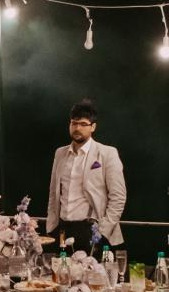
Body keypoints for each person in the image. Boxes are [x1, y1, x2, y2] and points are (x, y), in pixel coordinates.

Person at [45, 99, 128, 256]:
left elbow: (118, 197)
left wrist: (102, 232)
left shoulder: (107, 153)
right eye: (74, 123)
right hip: (62, 229)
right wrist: (51, 226)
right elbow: (53, 193)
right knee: (61, 277)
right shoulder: (60, 153)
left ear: (93, 127)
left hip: (92, 230)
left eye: (83, 124)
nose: (77, 128)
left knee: (93, 278)